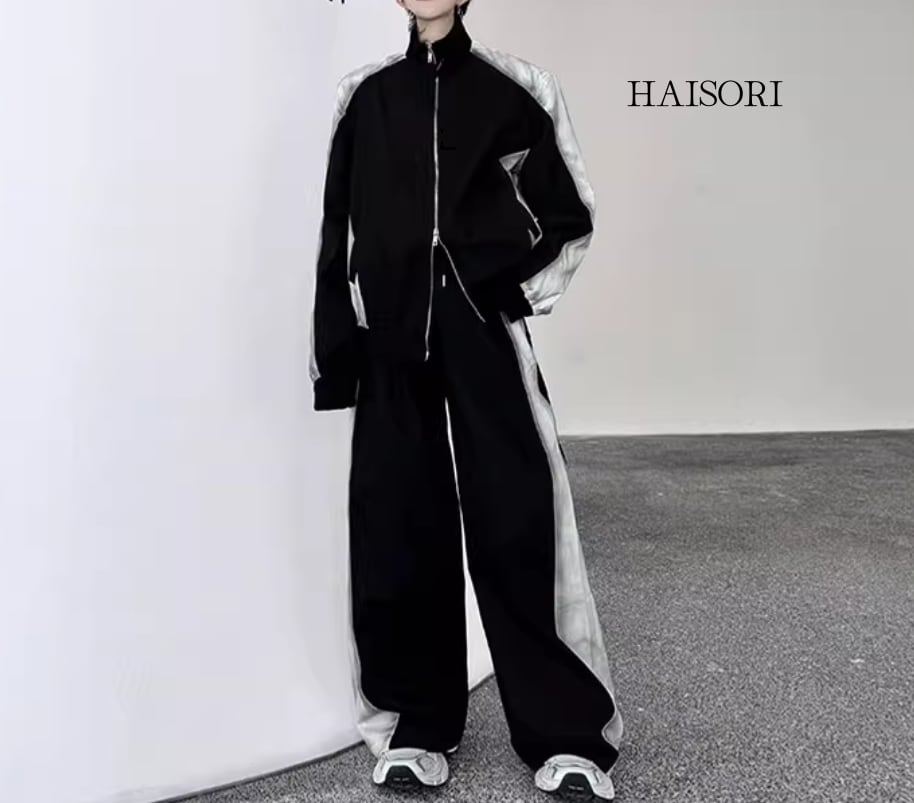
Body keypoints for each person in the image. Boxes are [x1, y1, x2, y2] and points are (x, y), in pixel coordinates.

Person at [308, 0, 623, 799]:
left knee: (520, 516)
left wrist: (502, 292)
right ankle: (415, 725)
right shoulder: (364, 97)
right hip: (389, 341)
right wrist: (337, 354)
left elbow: (569, 215)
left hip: (483, 332)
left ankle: (567, 734)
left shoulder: (519, 88)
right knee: (395, 525)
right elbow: (337, 232)